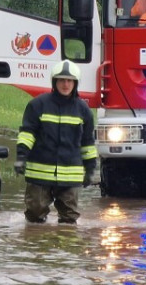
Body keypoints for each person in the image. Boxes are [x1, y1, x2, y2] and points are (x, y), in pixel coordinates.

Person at [14, 60, 98, 224]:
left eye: (69, 80)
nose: (65, 84)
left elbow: (87, 143)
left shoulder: (83, 110)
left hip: (70, 176)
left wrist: (90, 169)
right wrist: (21, 157)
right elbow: (27, 134)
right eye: (61, 80)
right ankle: (36, 246)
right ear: (54, 82)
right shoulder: (37, 105)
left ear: (75, 83)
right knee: (34, 216)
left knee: (69, 219)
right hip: (39, 174)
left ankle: (65, 249)